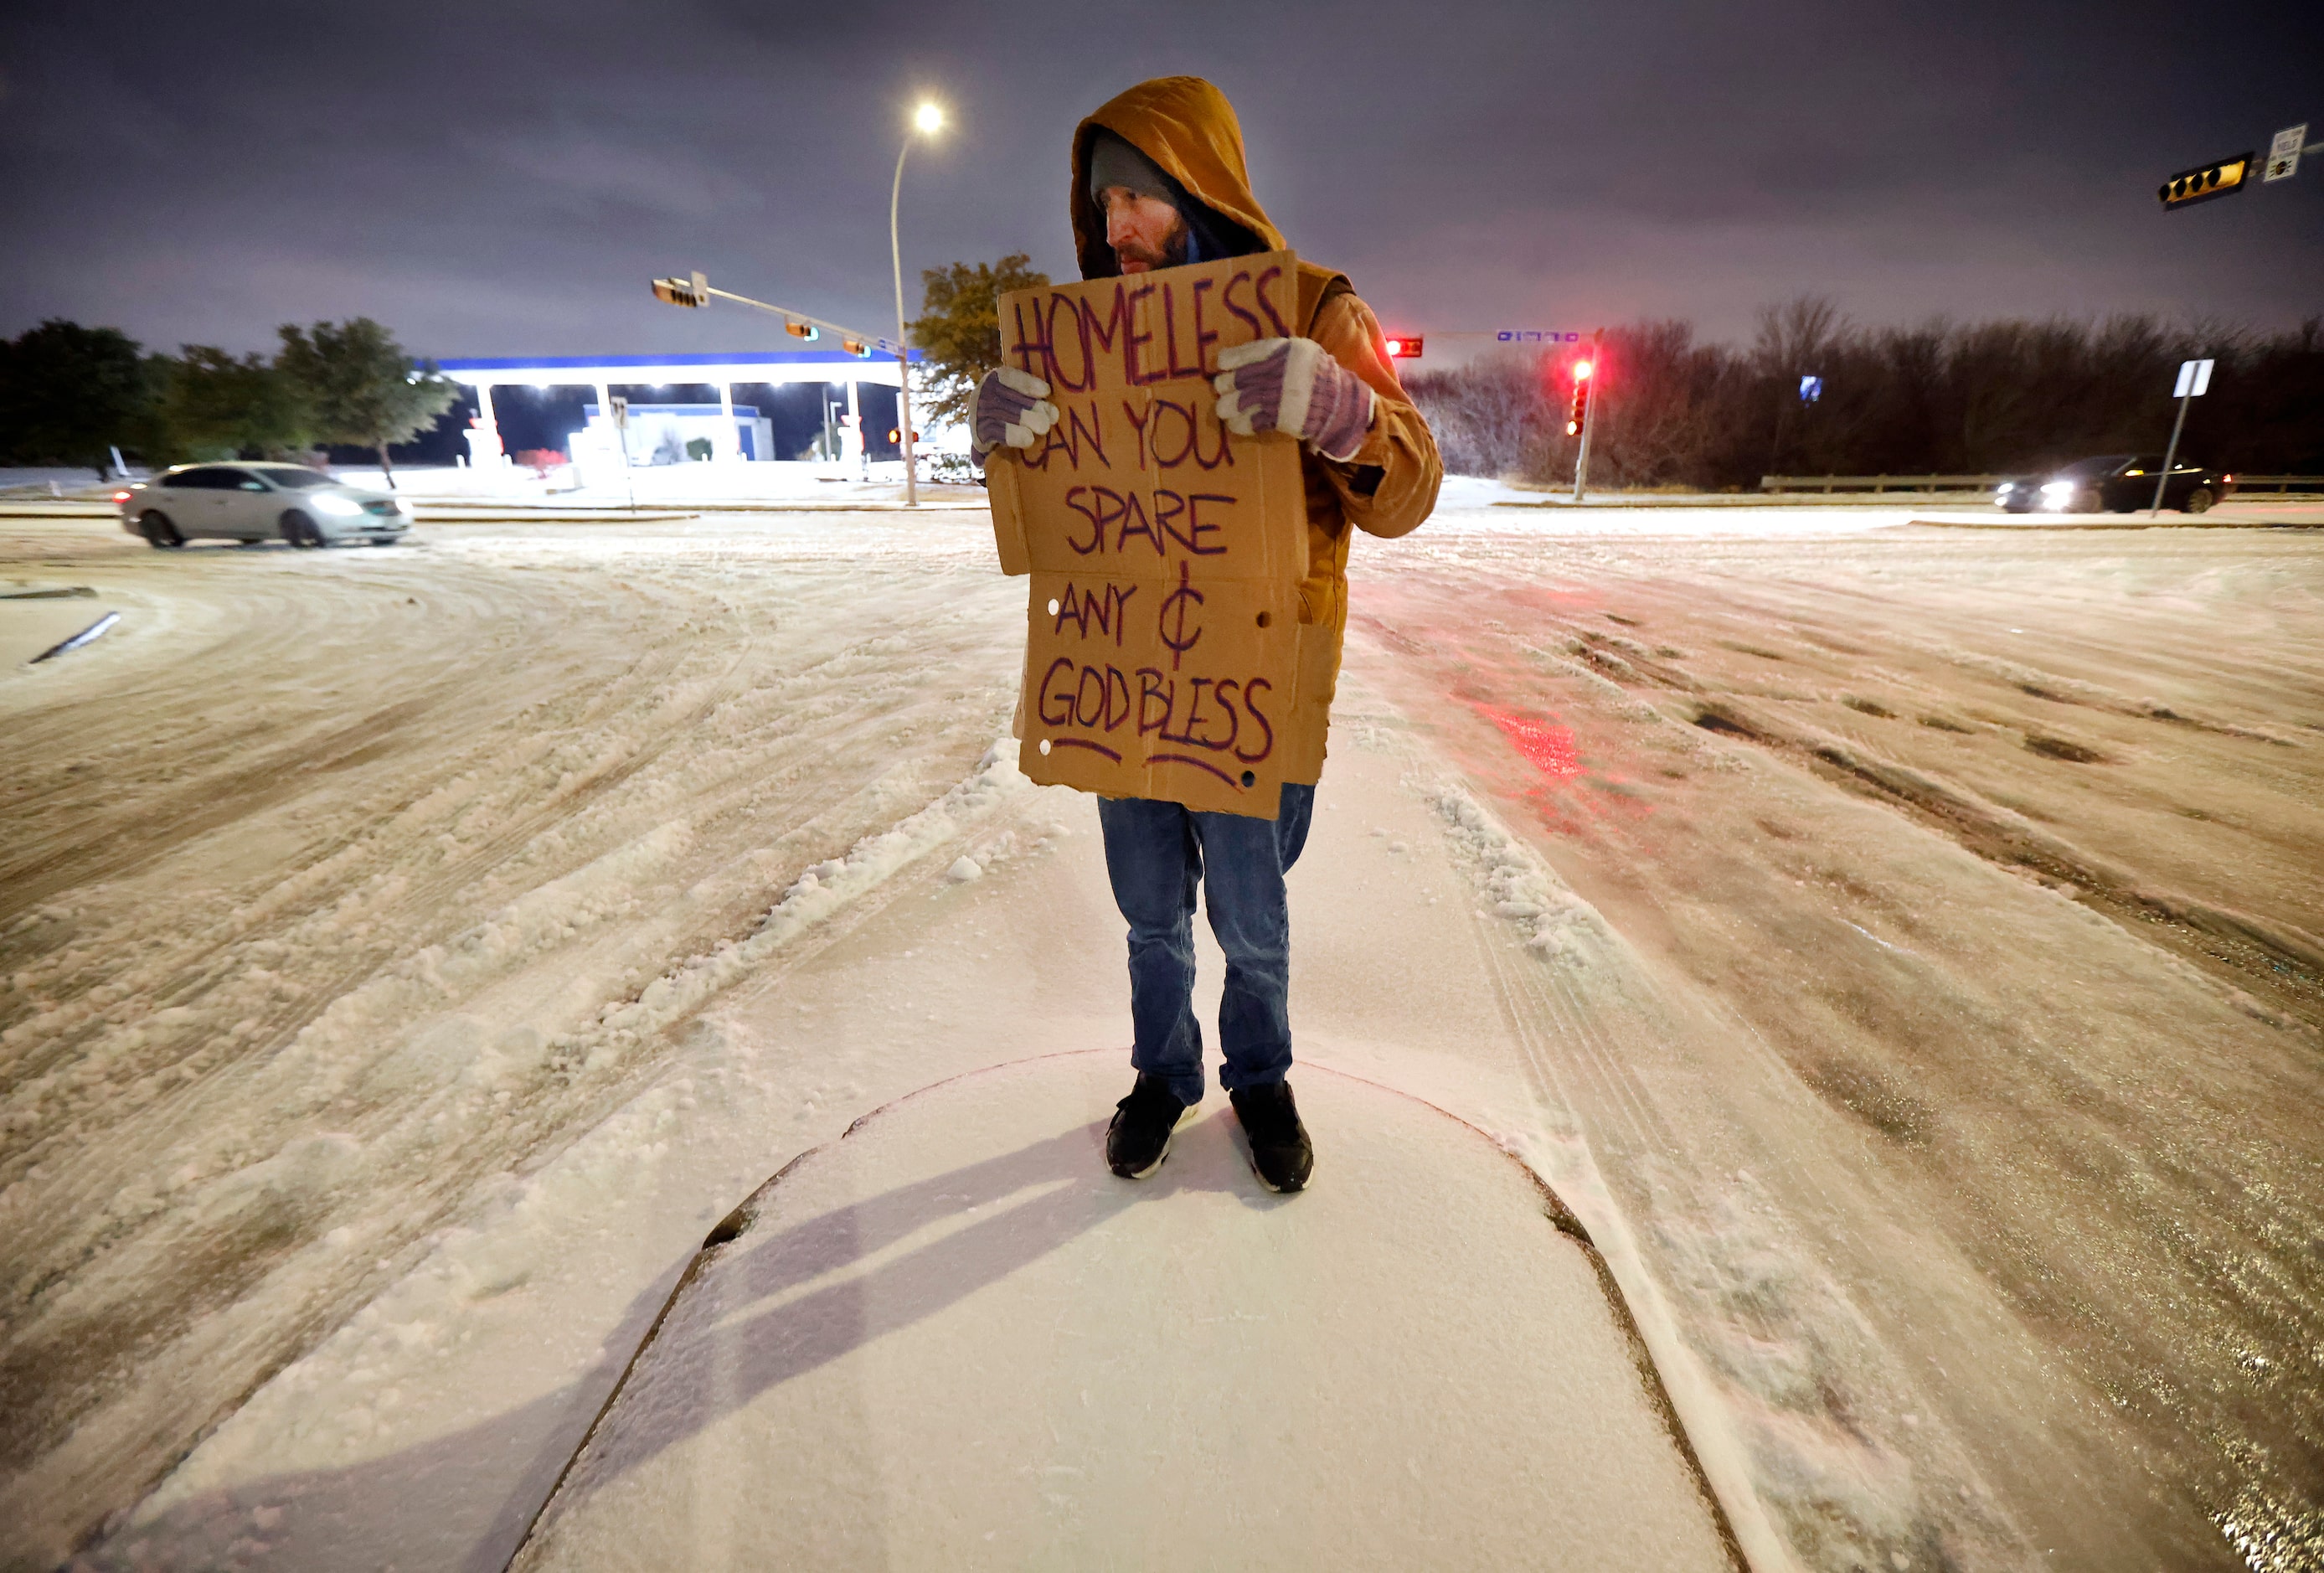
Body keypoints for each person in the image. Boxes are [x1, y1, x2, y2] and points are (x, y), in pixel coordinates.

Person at [972, 76, 1441, 1193]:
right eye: (1099, 206)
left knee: (1250, 908)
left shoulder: (1310, 308)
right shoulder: (1081, 344)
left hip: (1251, 681)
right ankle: (1165, 1073)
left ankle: (1262, 1075)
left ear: (1199, 184)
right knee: (1148, 911)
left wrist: (1342, 411)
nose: (1115, 228)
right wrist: (1007, 447)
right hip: (1123, 668)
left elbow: (1410, 486)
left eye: (1137, 196)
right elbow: (1037, 530)